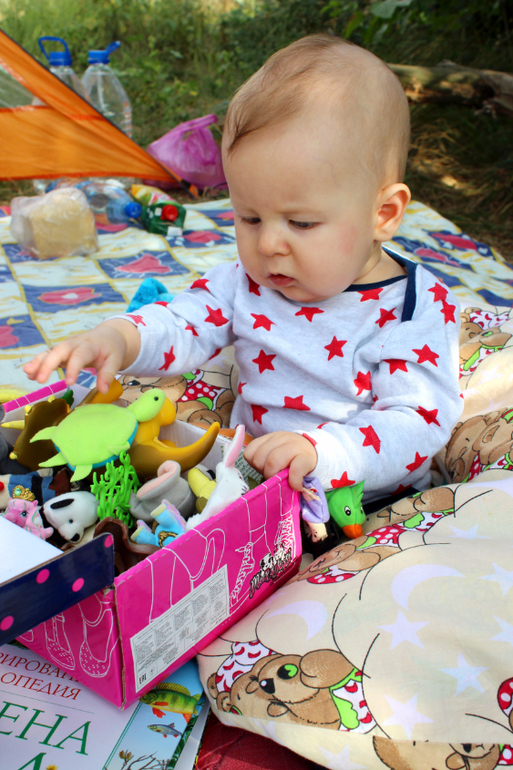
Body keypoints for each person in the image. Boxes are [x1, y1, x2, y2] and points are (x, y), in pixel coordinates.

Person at [24, 34, 462, 505]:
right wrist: (118, 337)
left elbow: (417, 421)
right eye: (249, 218)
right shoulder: (245, 281)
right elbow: (182, 323)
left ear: (383, 214)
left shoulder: (414, 309)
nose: (268, 244)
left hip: (368, 502)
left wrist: (322, 453)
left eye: (301, 223)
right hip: (250, 486)